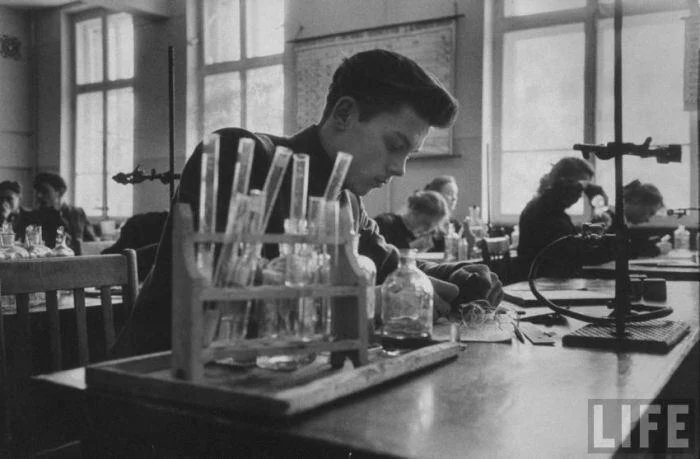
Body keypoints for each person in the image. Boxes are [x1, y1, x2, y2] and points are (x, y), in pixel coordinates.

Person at [123, 49, 504, 355]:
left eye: (409, 154)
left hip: (261, 380)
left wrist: (456, 275)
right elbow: (228, 299)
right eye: (394, 145)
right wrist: (368, 301)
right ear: (344, 114)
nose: (399, 169)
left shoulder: (347, 200)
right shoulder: (238, 155)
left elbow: (391, 263)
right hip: (159, 377)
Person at [517, 157, 611, 278]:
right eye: (579, 187)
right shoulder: (544, 211)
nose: (580, 195)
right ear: (563, 182)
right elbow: (577, 254)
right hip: (543, 282)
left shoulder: (545, 207)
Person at [592, 179, 665, 258]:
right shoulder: (606, 219)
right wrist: (655, 249)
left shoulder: (619, 220)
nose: (648, 220)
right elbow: (605, 253)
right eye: (650, 213)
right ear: (636, 200)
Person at [32, 172, 96, 253]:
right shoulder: (36, 216)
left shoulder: (76, 213)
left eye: (44, 191)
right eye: (37, 191)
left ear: (59, 192)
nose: (39, 195)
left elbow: (91, 244)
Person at [374, 190, 449, 251]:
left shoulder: (430, 236)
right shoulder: (385, 224)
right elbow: (378, 254)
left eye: (434, 227)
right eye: (425, 223)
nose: (427, 230)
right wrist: (409, 247)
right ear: (413, 211)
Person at [423, 175, 477, 254]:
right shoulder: (425, 225)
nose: (454, 198)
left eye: (456, 194)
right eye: (449, 194)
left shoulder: (455, 224)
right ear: (436, 196)